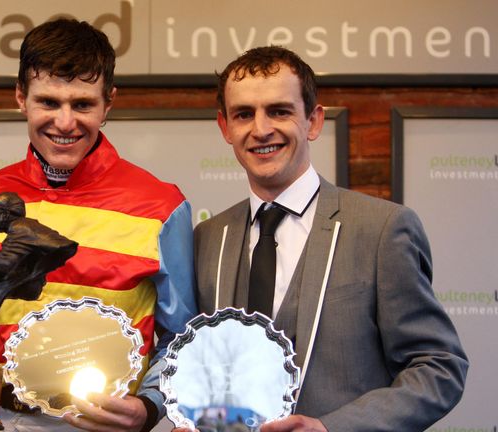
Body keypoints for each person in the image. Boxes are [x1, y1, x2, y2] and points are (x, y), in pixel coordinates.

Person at [191, 46, 468, 431]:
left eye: (279, 111)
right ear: (225, 127)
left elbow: (438, 366)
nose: (261, 129)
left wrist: (331, 428)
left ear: (314, 121)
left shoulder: (382, 228)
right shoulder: (207, 238)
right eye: (243, 114)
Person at [0, 18, 197, 432]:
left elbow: (183, 338)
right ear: (21, 98)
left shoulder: (163, 206)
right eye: (49, 102)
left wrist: (150, 406)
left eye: (82, 104)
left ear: (108, 103)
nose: (65, 122)